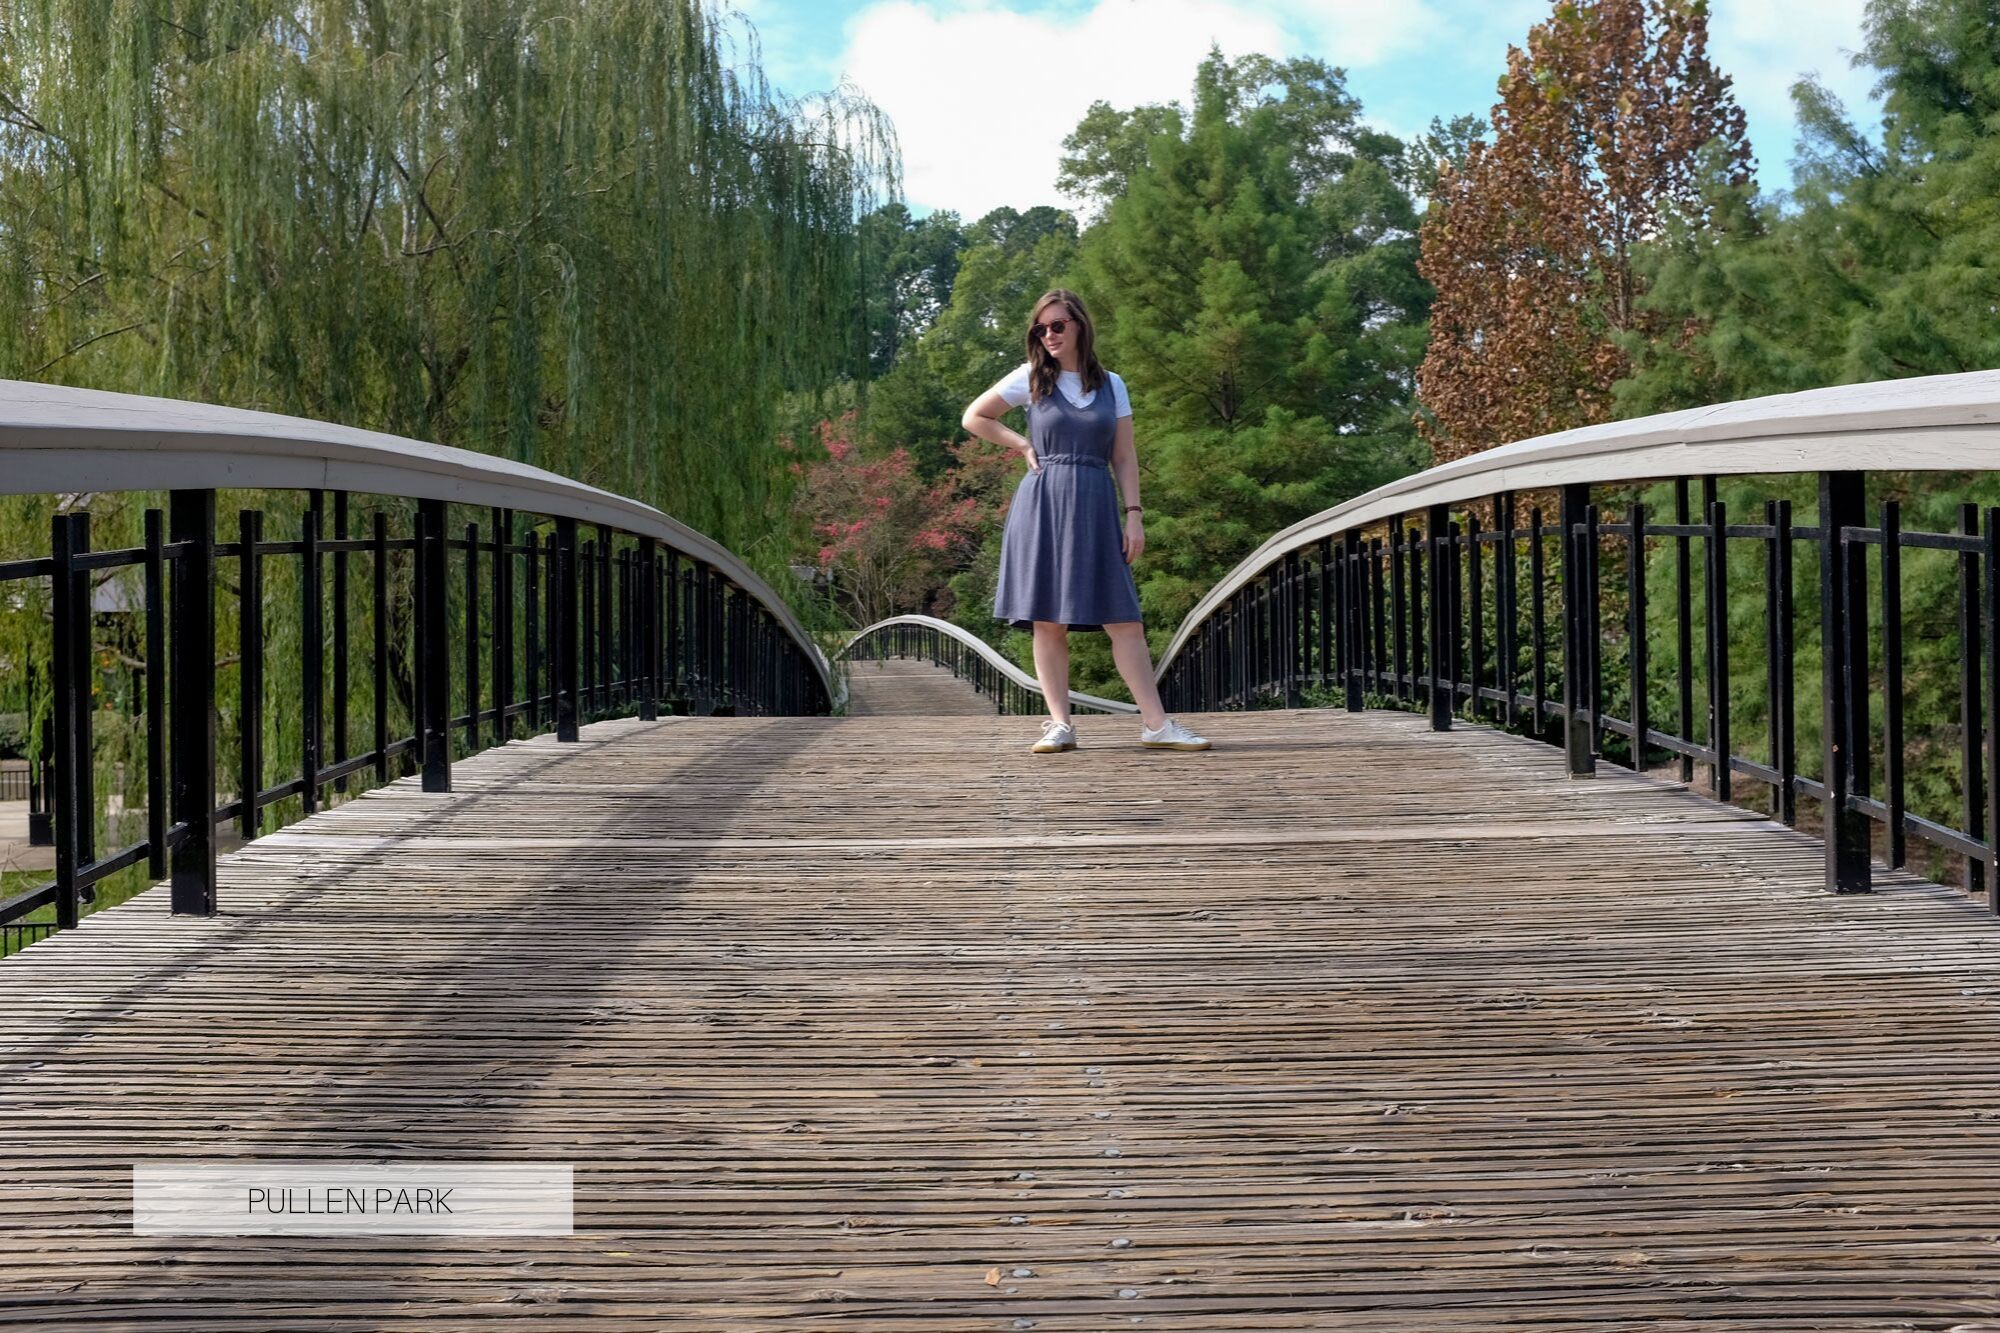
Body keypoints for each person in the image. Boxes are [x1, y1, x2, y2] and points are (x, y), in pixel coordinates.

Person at [961, 288, 1212, 755]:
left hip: (1096, 501)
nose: (1049, 334)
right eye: (1041, 328)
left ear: (1080, 326)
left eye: (1058, 325)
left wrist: (1134, 515)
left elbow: (1124, 454)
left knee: (1124, 619)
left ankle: (1156, 724)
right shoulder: (1032, 377)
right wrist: (1020, 443)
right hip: (1043, 502)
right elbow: (974, 417)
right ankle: (1060, 725)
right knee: (1047, 620)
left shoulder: (1111, 384)